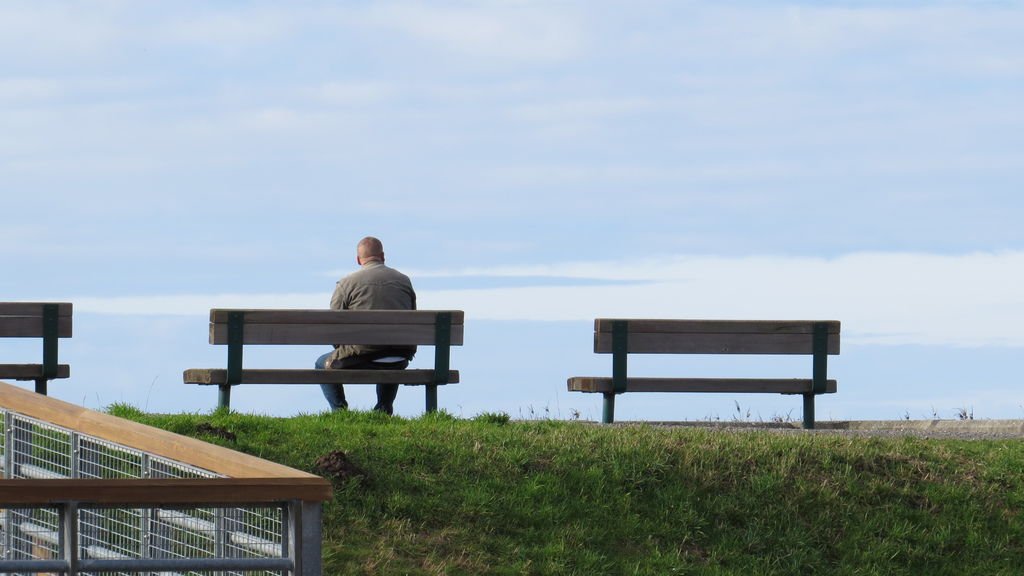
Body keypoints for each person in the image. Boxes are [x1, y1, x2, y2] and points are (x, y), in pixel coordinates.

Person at [316, 236, 417, 414]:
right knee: (389, 351)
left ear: (358, 259)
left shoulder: (347, 283)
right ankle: (384, 409)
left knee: (320, 364)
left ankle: (339, 412)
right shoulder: (404, 281)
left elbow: (334, 327)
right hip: (399, 356)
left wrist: (342, 348)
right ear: (383, 256)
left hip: (362, 355)